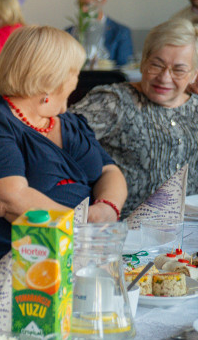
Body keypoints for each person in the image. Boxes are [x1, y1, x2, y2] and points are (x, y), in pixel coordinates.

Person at [0, 26, 127, 258]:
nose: (77, 78)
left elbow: (109, 170)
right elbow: (9, 198)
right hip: (28, 256)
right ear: (50, 79)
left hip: (87, 245)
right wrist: (83, 227)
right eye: (74, 71)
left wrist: (108, 207)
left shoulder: (70, 122)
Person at [73, 19, 198, 215]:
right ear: (143, 63)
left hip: (188, 225)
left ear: (193, 75)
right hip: (123, 226)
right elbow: (58, 140)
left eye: (179, 70)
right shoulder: (113, 101)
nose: (164, 78)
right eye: (156, 65)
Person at [66, 0, 133, 67]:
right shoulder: (69, 33)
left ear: (102, 0)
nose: (83, 9)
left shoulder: (120, 32)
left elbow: (125, 67)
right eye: (80, 4)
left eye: (87, 4)